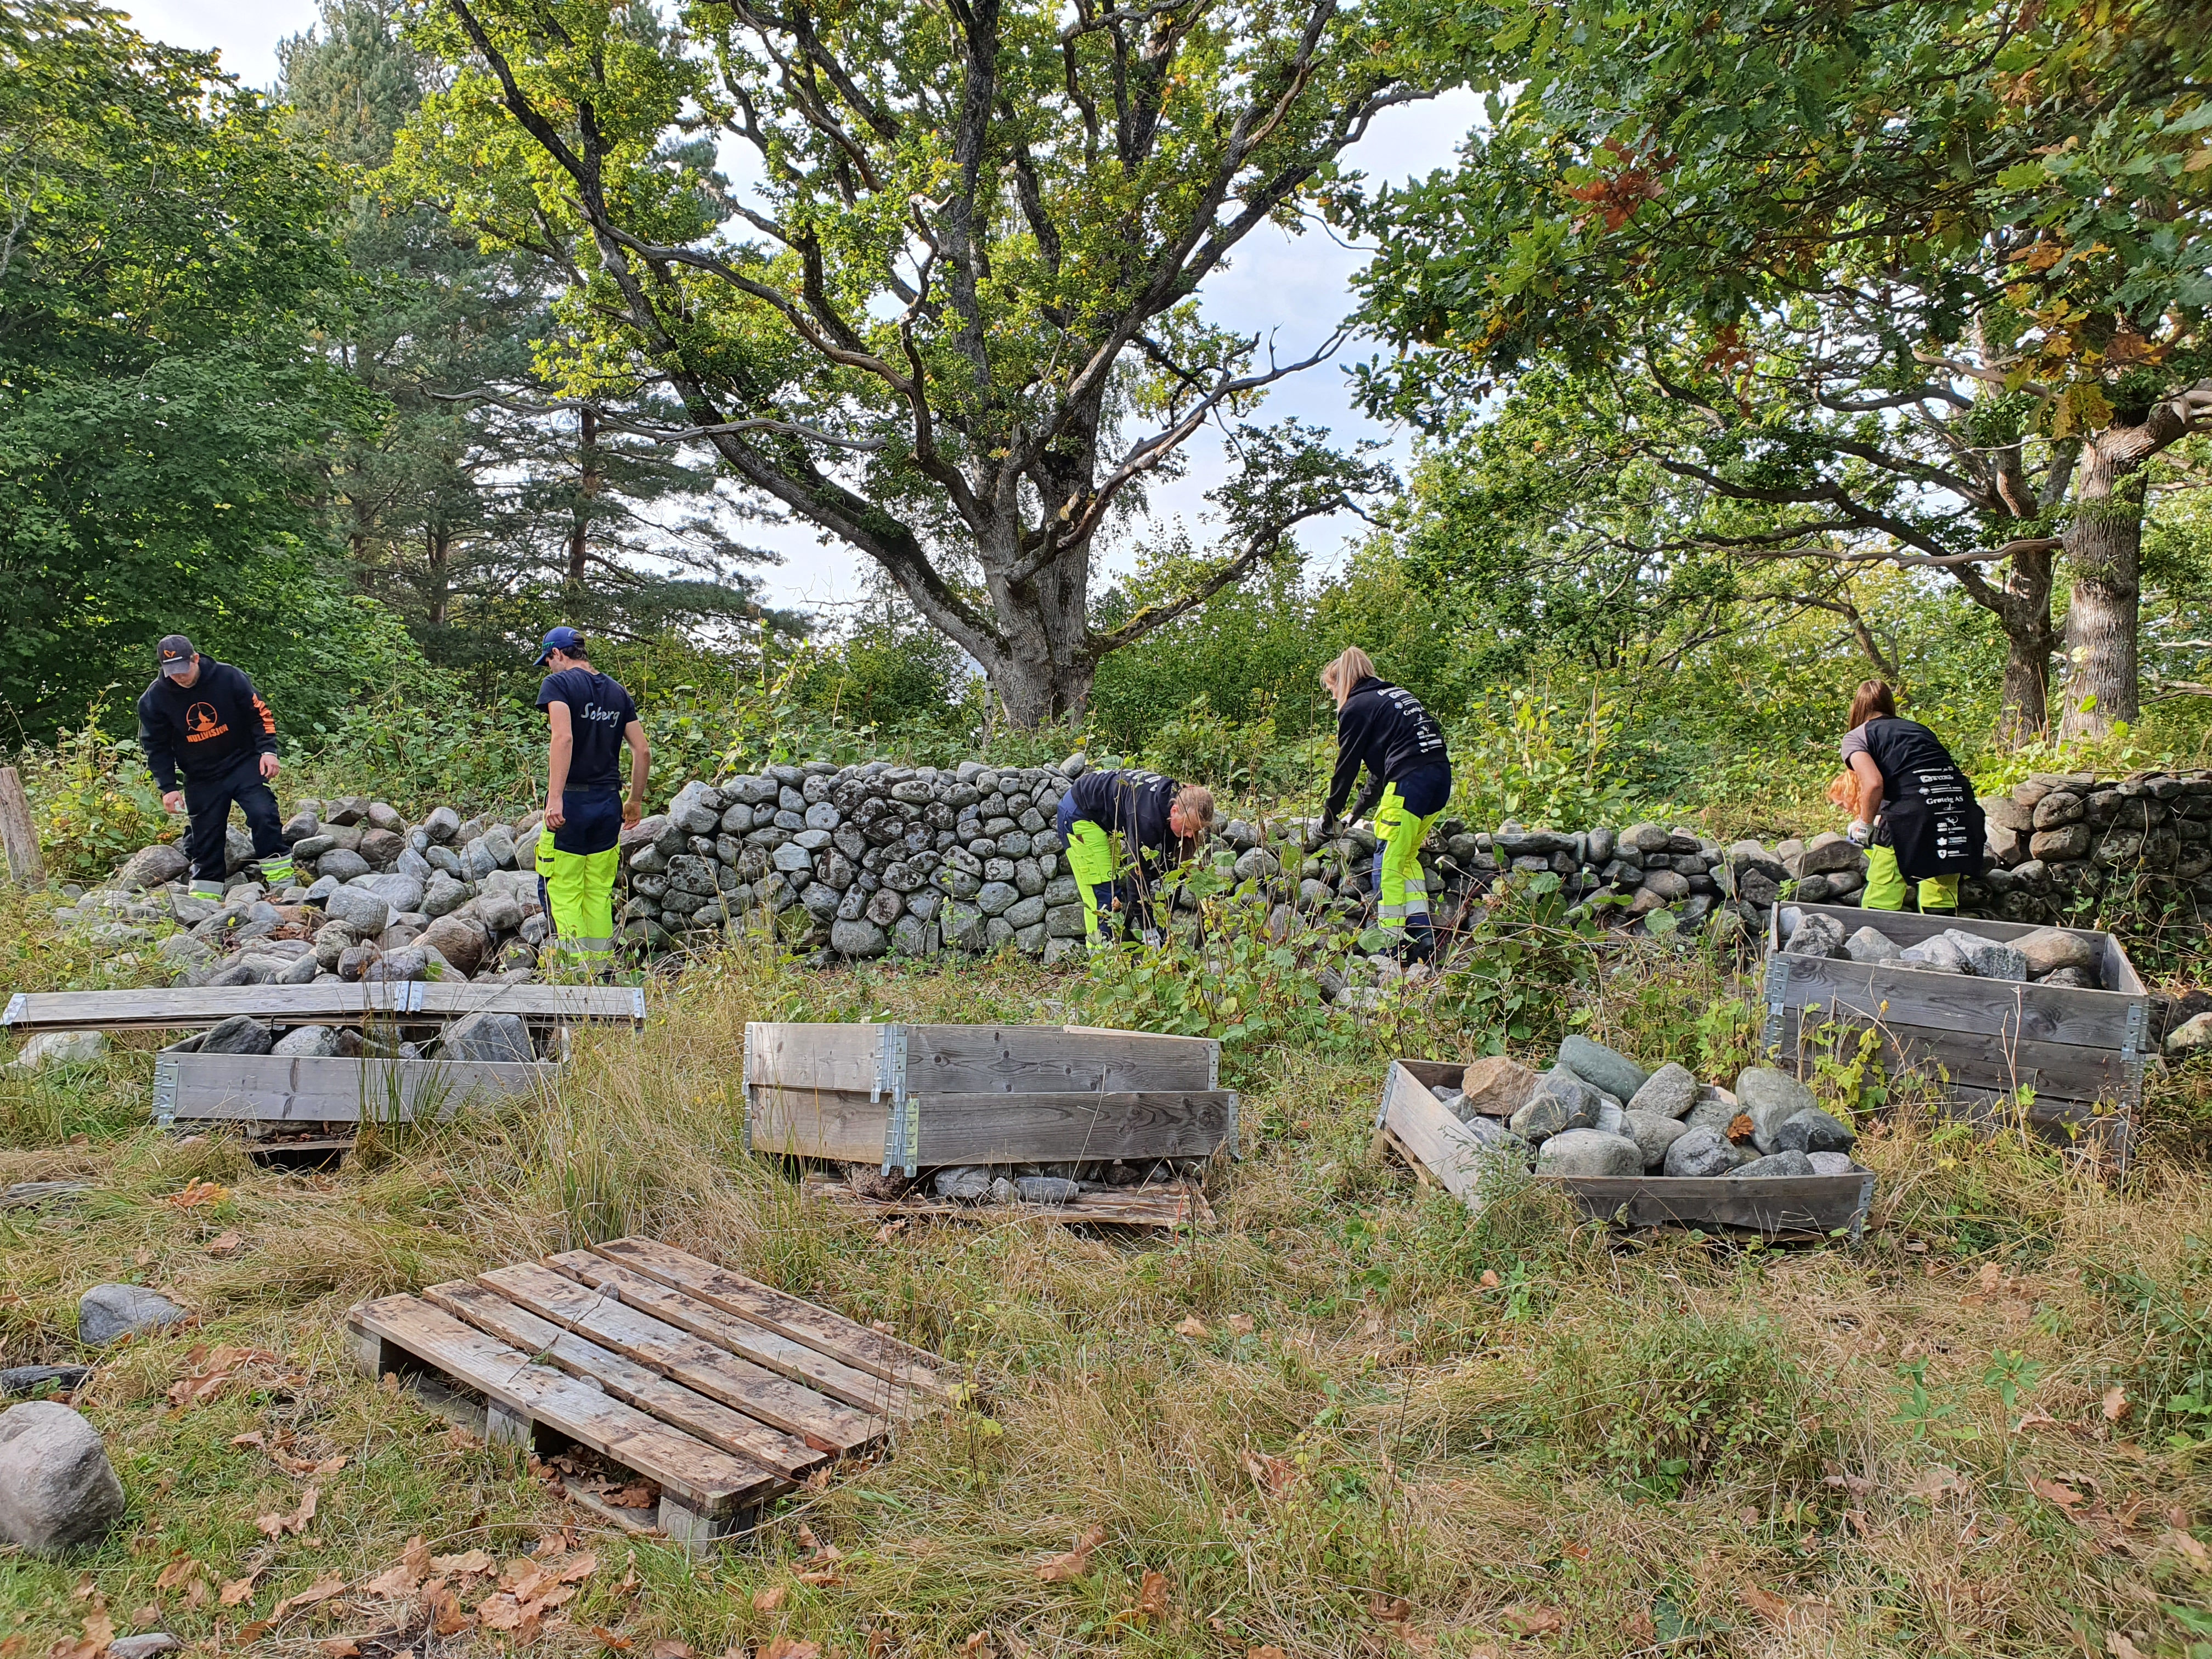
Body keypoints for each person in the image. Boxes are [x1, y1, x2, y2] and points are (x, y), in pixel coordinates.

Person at [1318, 647, 1452, 962]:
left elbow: (1346, 767)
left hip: (1409, 785)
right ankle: (1423, 939)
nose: (1333, 697)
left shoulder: (1355, 707)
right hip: (1439, 780)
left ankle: (1392, 948)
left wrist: (1330, 814)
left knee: (1387, 863)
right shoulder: (1394, 696)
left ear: (1341, 682)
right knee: (1406, 858)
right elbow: (1382, 771)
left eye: (1332, 690)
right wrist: (1356, 812)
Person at [137, 634, 293, 900]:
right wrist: (168, 788)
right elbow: (156, 747)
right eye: (172, 672)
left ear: (195, 659)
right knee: (206, 835)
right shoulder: (155, 699)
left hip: (242, 761)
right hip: (201, 774)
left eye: (183, 670)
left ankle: (282, 883)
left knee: (263, 813)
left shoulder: (229, 678)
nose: (179, 677)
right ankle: (205, 900)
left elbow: (260, 715)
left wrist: (268, 751)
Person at [530, 627, 649, 972]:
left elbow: (563, 737)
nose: (549, 668)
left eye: (548, 661)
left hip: (571, 805)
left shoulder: (559, 685)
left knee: (564, 890)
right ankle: (601, 970)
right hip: (608, 805)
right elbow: (642, 750)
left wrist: (555, 799)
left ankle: (575, 976)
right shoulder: (617, 692)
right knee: (597, 892)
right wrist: (635, 800)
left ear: (558, 654)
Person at [1837, 679, 1984, 914]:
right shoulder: (1920, 730)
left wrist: (1864, 826)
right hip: (1960, 809)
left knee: (1884, 885)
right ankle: (1942, 942)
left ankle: (1874, 939)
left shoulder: (1857, 736)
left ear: (1857, 708)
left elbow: (1873, 784)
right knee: (1941, 888)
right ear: (1890, 704)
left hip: (1910, 815)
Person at [1054, 767, 1214, 950]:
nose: (1188, 836)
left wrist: (1166, 923)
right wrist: (1148, 929)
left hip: (1103, 813)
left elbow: (1173, 871)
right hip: (1079, 813)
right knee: (1104, 895)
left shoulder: (1175, 802)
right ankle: (1100, 963)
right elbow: (1136, 874)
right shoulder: (1146, 818)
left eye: (1194, 831)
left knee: (1113, 889)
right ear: (1174, 811)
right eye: (1187, 828)